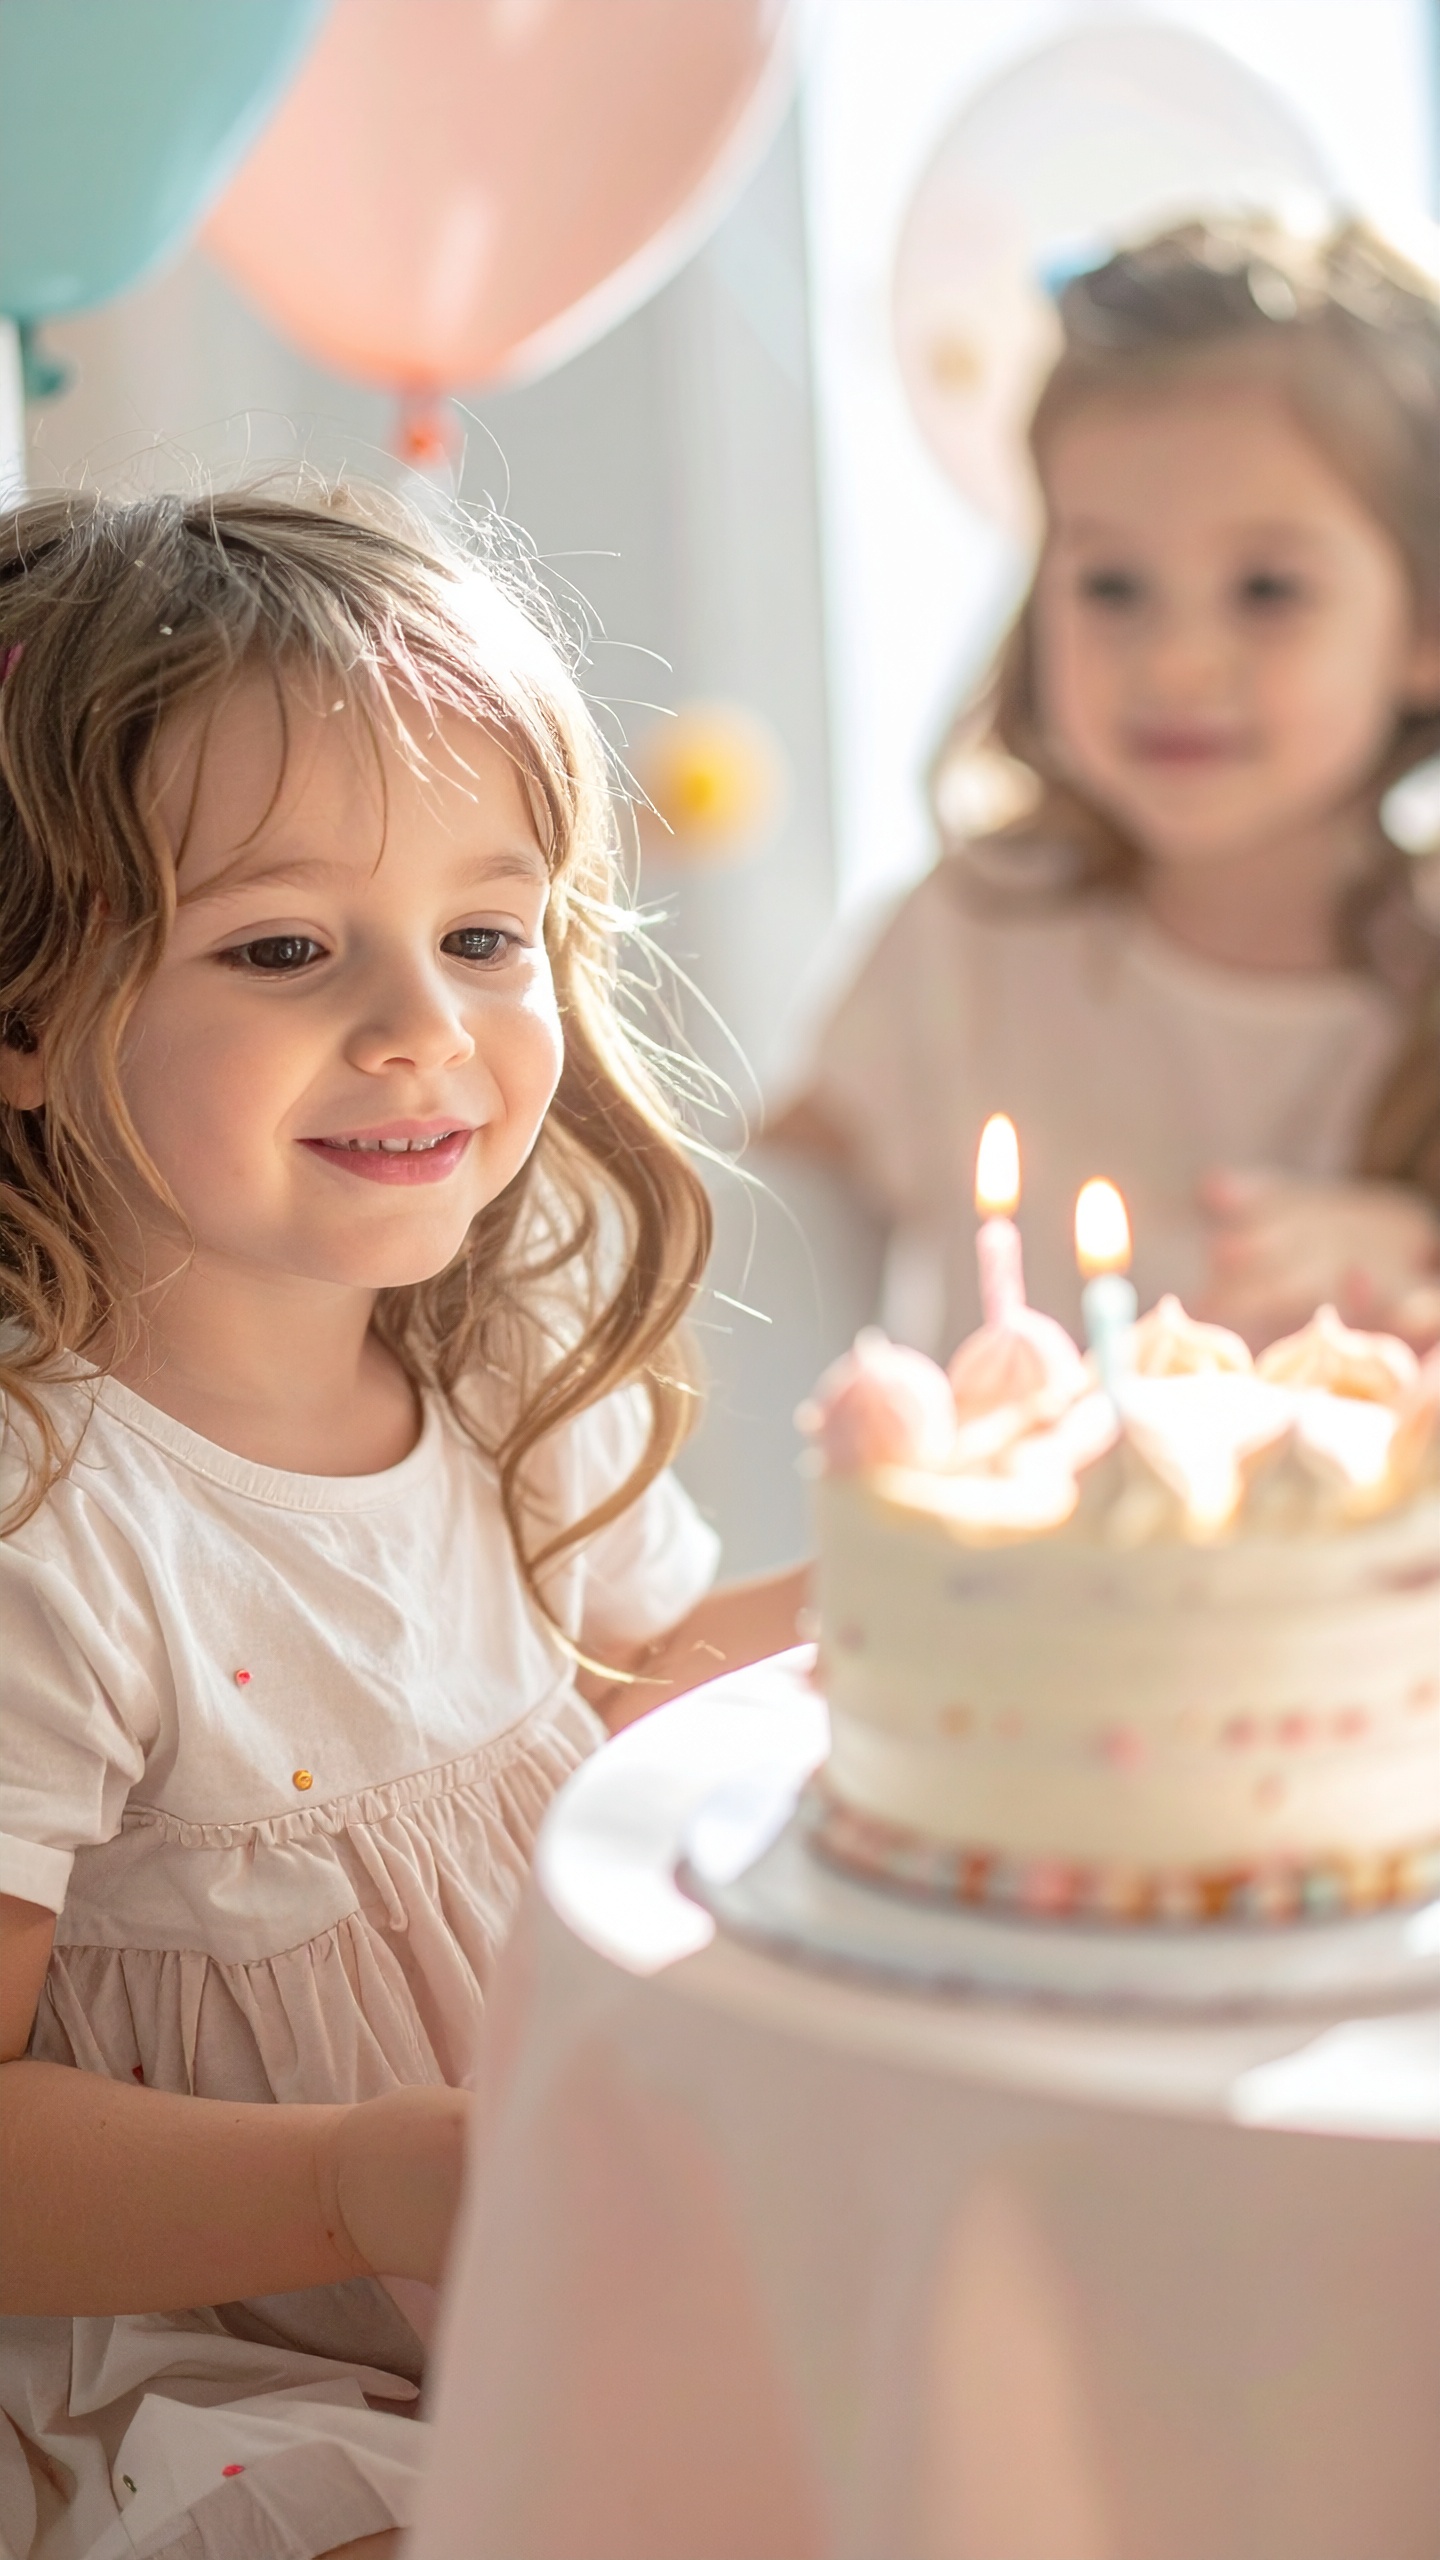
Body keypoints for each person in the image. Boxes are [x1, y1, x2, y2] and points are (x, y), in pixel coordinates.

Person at [0, 484, 804, 2560]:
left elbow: (625, 1708)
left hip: (590, 2267)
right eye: (284, 946)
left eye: (486, 932)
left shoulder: (506, 1333)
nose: (424, 1027)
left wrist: (975, 1568)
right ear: (19, 1008)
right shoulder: (53, 1522)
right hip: (233, 2368)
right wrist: (361, 2176)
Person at [772, 217, 1440, 1358]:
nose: (1174, 662)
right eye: (1113, 583)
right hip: (983, 1544)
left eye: (1268, 589)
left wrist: (1417, 1252)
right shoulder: (975, 933)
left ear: (1425, 621)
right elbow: (763, 1218)